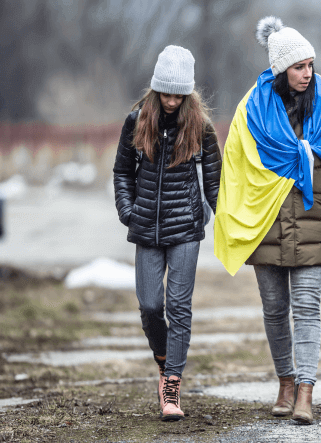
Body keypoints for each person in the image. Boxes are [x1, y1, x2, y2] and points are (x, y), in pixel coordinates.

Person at [213, 16, 321, 425]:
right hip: (266, 220)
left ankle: (306, 392)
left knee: (307, 308)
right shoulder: (252, 108)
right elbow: (236, 165)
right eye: (299, 67)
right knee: (275, 309)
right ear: (280, 69)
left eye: (311, 65)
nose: (308, 74)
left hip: (314, 220)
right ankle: (285, 382)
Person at [113, 45, 221, 421]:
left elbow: (214, 180)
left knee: (179, 307)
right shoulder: (136, 121)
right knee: (149, 306)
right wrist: (127, 211)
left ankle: (172, 386)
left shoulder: (201, 127)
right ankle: (163, 359)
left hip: (186, 229)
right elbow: (122, 171)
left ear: (188, 92)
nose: (173, 100)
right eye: (167, 93)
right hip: (145, 228)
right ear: (157, 89)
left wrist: (219, 217)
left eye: (180, 94)